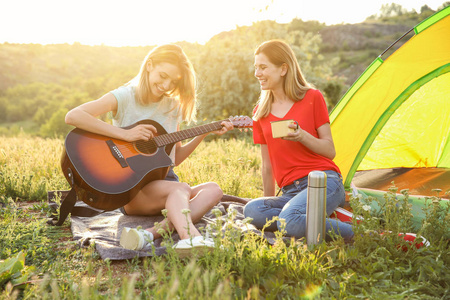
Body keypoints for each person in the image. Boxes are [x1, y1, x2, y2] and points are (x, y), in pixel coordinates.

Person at [65, 44, 233, 255]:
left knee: (214, 190)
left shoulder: (173, 107)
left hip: (165, 186)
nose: (165, 85)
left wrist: (202, 133)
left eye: (173, 82)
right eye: (162, 76)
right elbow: (73, 116)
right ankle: (190, 239)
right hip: (132, 189)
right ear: (149, 66)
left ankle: (149, 234)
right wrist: (126, 135)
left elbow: (174, 159)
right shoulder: (125, 97)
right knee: (180, 188)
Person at [243, 40, 354, 242]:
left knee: (288, 219)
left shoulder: (312, 97)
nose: (257, 73)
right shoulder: (261, 112)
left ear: (283, 69)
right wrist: (267, 202)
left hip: (323, 181)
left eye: (263, 67)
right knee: (252, 210)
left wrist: (302, 135)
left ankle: (362, 233)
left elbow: (330, 151)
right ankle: (321, 219)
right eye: (256, 67)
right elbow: (267, 167)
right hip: (290, 192)